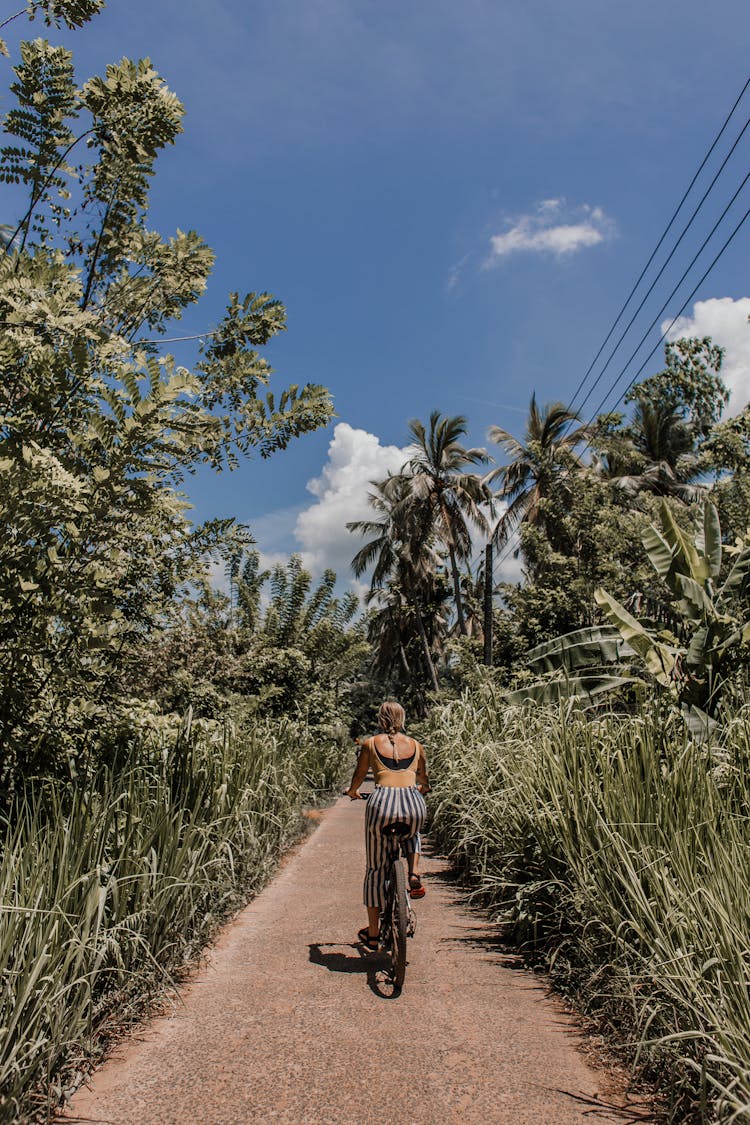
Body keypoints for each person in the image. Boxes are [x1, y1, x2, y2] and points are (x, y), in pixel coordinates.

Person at [346, 700, 430, 950]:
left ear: (381, 720)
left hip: (381, 803)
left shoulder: (370, 744)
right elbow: (424, 778)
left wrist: (352, 791)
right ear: (402, 720)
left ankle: (373, 935)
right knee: (413, 831)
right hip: (412, 802)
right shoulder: (416, 745)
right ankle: (413, 872)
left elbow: (360, 775)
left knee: (375, 870)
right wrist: (421, 788)